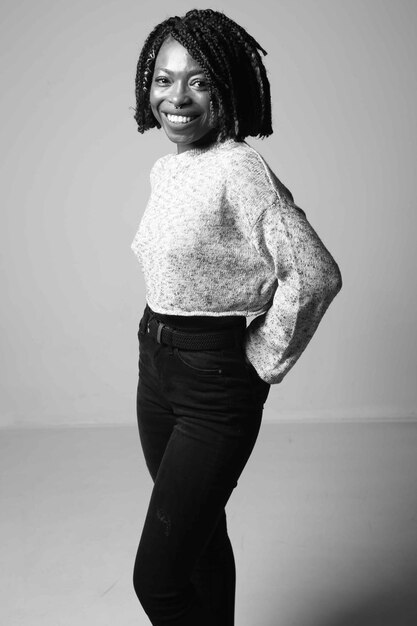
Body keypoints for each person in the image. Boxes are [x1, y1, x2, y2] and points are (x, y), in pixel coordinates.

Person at [130, 9, 342, 626]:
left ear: (227, 87)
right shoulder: (168, 168)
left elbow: (315, 272)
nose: (176, 96)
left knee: (158, 581)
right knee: (199, 542)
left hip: (212, 379)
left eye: (198, 80)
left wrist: (260, 360)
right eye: (164, 79)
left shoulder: (239, 167)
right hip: (155, 369)